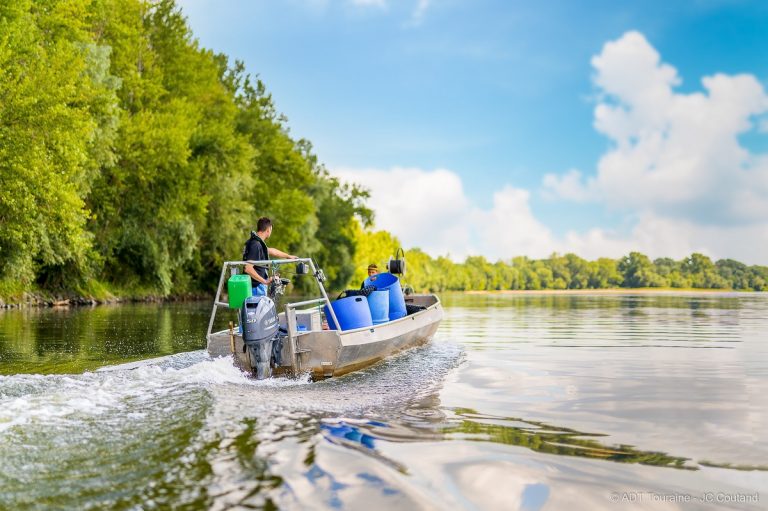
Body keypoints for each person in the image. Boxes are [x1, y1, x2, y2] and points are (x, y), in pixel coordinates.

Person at [243, 217, 297, 297]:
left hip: (257, 286)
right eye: (271, 230)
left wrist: (288, 256)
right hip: (255, 288)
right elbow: (248, 268)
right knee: (257, 309)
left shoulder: (256, 242)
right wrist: (265, 281)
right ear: (268, 230)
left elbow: (271, 251)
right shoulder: (256, 245)